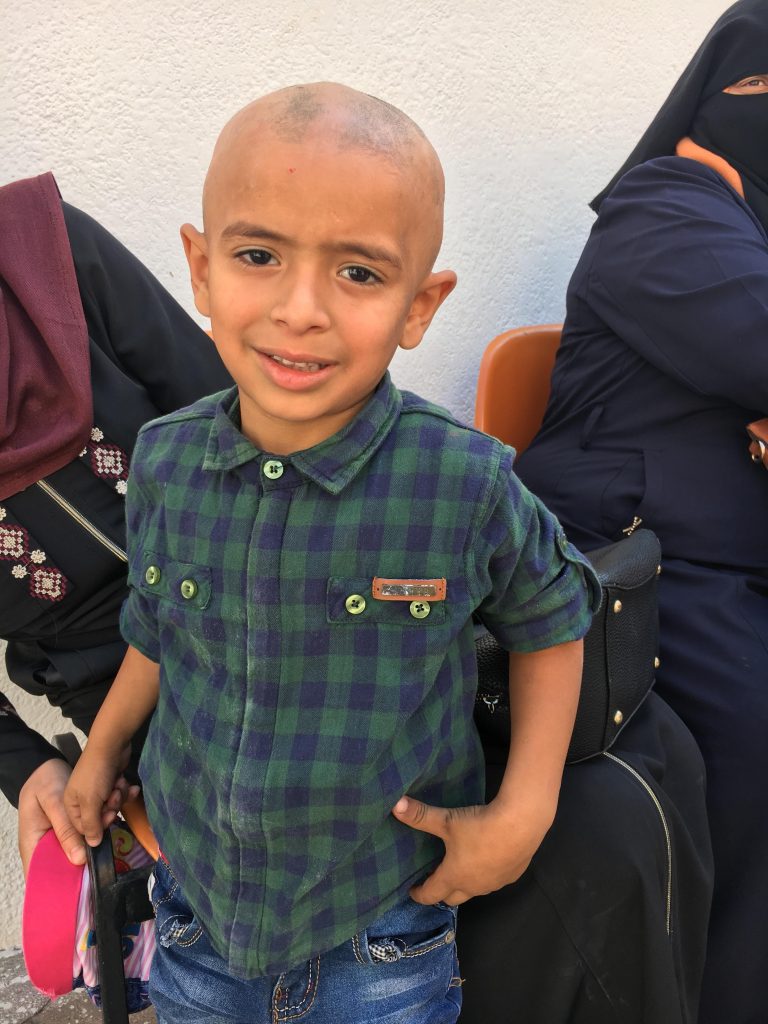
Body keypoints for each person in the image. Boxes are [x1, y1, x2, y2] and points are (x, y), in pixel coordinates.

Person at [63, 82, 601, 1024]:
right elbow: (157, 631)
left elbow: (553, 615)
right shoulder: (165, 459)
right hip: (198, 918)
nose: (300, 308)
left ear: (420, 304)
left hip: (381, 932)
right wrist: (100, 754)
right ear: (199, 267)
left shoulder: (462, 483)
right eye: (259, 255)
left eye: (358, 273)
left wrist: (524, 814)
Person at [514, 2, 768, 1020]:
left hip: (721, 563)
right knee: (756, 727)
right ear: (730, 93)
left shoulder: (743, 218)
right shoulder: (663, 206)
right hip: (635, 559)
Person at [0, 171, 232, 876]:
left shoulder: (38, 248)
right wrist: (26, 766)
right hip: (100, 673)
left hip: (243, 573)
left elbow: (228, 414)